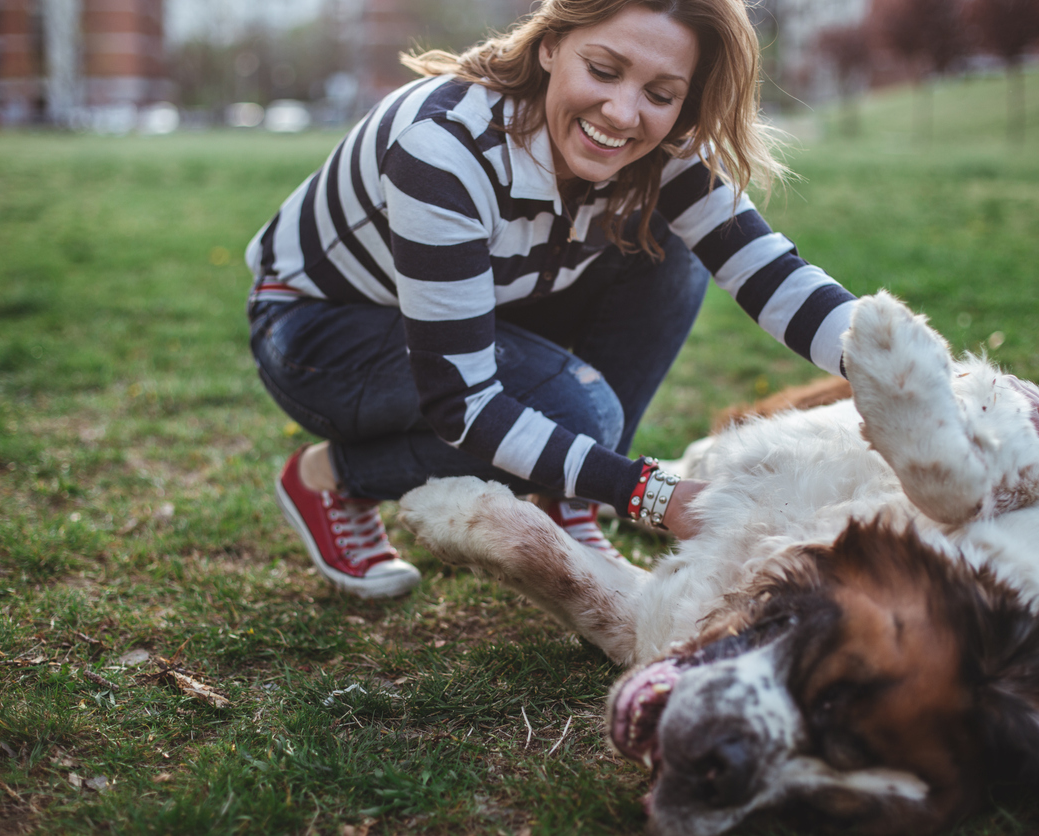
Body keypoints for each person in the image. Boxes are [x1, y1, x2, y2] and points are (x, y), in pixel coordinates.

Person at [246, 0, 857, 598]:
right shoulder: (443, 149)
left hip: (495, 294)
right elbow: (463, 402)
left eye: (661, 94)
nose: (622, 113)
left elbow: (767, 270)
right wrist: (650, 492)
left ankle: (566, 498)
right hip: (317, 331)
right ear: (549, 45)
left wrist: (900, 363)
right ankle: (328, 479)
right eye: (603, 70)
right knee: (579, 414)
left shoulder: (663, 142)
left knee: (665, 243)